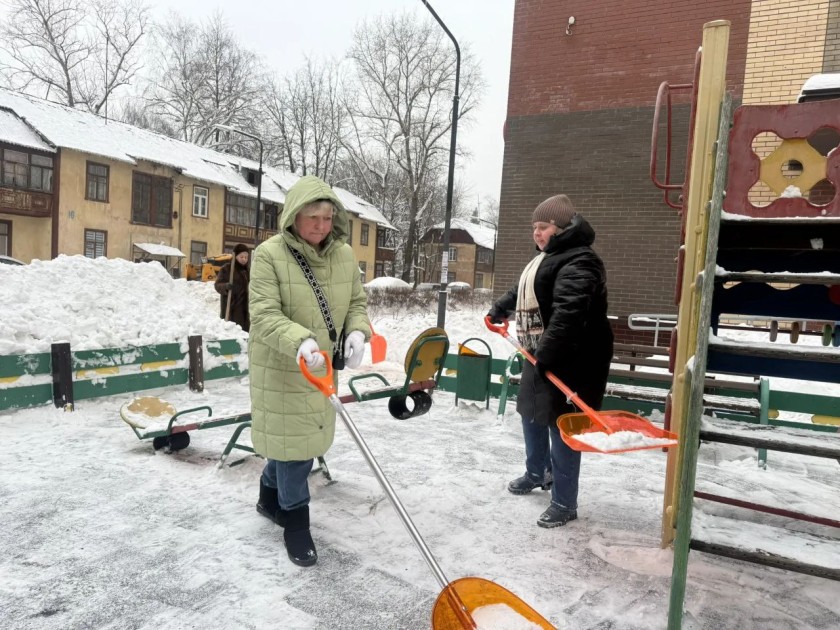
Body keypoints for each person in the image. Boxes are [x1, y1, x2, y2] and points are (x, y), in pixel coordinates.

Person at [248, 175, 371, 567]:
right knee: (296, 448)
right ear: (294, 216)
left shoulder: (345, 255)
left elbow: (356, 302)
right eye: (312, 217)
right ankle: (295, 525)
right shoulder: (268, 255)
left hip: (322, 369)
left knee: (296, 443)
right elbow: (263, 315)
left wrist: (357, 332)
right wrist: (299, 340)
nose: (321, 226)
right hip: (282, 366)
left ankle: (269, 498)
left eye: (327, 217)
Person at [487, 194, 613, 528]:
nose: (536, 233)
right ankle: (536, 472)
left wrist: (547, 355)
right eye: (534, 228)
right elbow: (523, 288)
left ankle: (564, 502)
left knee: (563, 428)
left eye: (542, 227)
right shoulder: (547, 258)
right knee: (531, 414)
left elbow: (569, 315)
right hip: (542, 352)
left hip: (574, 360)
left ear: (560, 227)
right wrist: (499, 308)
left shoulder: (581, 261)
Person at [214, 243, 251, 332]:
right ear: (235, 256)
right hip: (231, 308)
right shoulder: (226, 269)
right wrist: (226, 286)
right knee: (232, 332)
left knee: (244, 333)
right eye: (241, 257)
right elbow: (217, 285)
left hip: (245, 309)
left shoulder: (247, 271)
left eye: (246, 257)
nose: (244, 259)